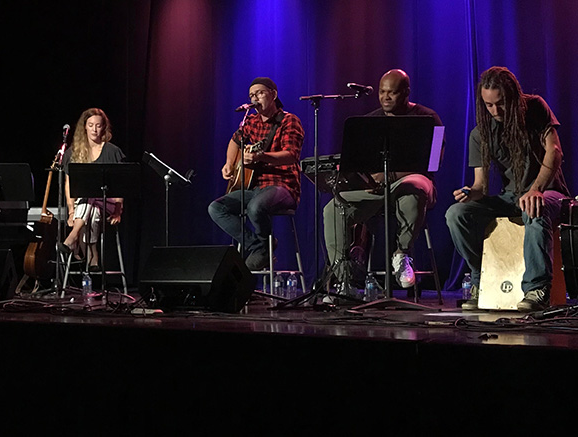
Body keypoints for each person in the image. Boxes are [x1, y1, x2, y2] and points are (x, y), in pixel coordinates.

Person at [446, 66, 570, 311]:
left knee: (534, 208)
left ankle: (537, 289)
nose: (495, 111)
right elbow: (480, 186)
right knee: (456, 214)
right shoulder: (480, 133)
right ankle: (480, 277)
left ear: (513, 97)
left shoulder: (535, 107)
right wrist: (470, 193)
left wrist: (536, 189)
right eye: (489, 105)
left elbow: (554, 152)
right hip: (510, 197)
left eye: (501, 103)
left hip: (549, 192)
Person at [322, 69, 444, 289]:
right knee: (333, 208)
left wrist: (391, 175)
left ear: (406, 92)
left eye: (392, 92)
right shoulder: (369, 121)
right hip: (377, 189)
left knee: (412, 190)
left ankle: (402, 254)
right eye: (382, 92)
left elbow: (434, 161)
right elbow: (359, 163)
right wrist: (360, 180)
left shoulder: (428, 118)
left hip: (413, 183)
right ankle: (344, 279)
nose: (385, 97)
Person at [208, 77, 304, 270]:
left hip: (282, 186)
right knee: (216, 208)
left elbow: (291, 155)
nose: (255, 99)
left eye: (259, 93)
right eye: (251, 95)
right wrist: (229, 163)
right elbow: (235, 141)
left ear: (273, 95)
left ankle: (262, 249)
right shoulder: (250, 121)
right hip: (255, 188)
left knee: (255, 207)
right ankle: (260, 247)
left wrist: (262, 156)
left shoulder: (289, 121)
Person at [59, 108, 125, 271]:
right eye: (90, 125)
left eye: (98, 125)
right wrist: (71, 211)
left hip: (107, 202)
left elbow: (120, 184)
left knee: (91, 194)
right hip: (86, 206)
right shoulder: (74, 152)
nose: (94, 129)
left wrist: (118, 211)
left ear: (104, 127)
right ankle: (93, 256)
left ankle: (72, 237)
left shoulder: (112, 151)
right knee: (91, 209)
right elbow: (69, 184)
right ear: (84, 127)